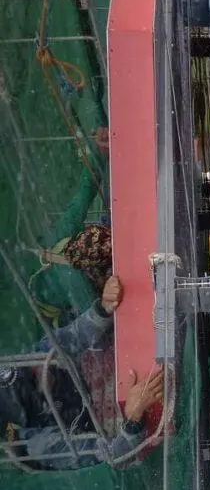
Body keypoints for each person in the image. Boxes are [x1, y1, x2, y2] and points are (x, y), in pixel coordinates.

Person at [0, 275, 164, 471]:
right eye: (35, 379)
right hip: (141, 421)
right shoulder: (43, 445)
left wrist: (104, 307)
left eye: (30, 366)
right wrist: (133, 418)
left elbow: (75, 334)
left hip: (131, 363)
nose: (40, 365)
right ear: (32, 408)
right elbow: (112, 456)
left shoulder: (35, 359)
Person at [30, 127, 112, 325]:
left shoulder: (63, 234)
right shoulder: (82, 291)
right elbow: (100, 322)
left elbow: (85, 192)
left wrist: (101, 150)